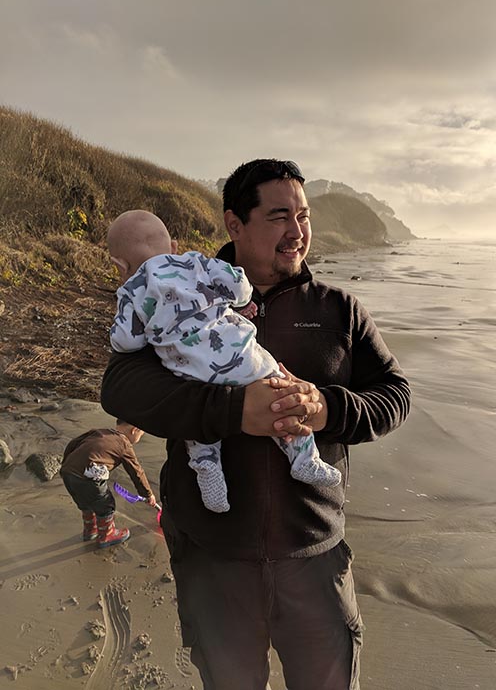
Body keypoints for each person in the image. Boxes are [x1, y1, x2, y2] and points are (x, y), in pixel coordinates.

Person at [101, 159, 411, 689]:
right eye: (278, 216)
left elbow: (394, 396)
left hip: (314, 557)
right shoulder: (181, 298)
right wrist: (231, 411)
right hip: (212, 560)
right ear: (235, 224)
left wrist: (326, 409)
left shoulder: (339, 310)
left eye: (304, 215)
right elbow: (121, 388)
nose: (297, 232)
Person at [106, 210, 341, 513]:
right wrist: (238, 301)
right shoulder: (196, 262)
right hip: (236, 355)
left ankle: (208, 471)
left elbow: (125, 341)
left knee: (197, 422)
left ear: (119, 265)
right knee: (282, 388)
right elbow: (239, 285)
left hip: (188, 371)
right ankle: (304, 458)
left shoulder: (132, 290)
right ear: (174, 246)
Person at [60, 419, 157, 548]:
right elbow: (136, 472)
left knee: (84, 501)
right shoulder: (124, 444)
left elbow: (73, 444)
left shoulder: (100, 432)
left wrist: (66, 463)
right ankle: (107, 535)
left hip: (68, 472)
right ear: (134, 430)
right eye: (141, 435)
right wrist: (148, 494)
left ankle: (90, 530)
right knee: (105, 504)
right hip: (88, 476)